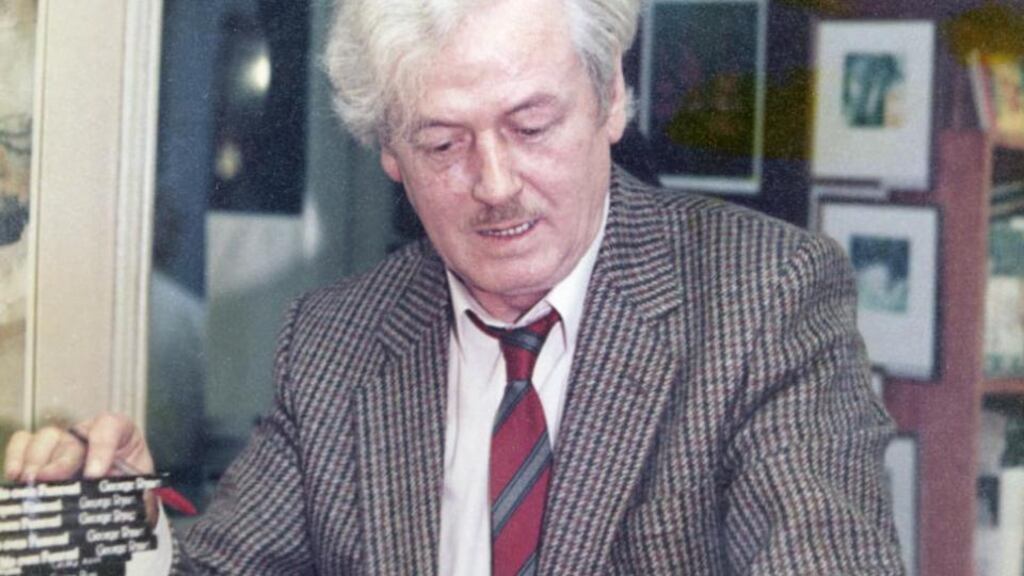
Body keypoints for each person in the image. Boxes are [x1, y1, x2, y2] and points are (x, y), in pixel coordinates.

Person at [4, 0, 905, 573]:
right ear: (390, 154)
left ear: (610, 99)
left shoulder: (764, 297)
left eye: (532, 124)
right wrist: (123, 529)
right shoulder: (338, 340)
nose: (496, 182)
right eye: (443, 143)